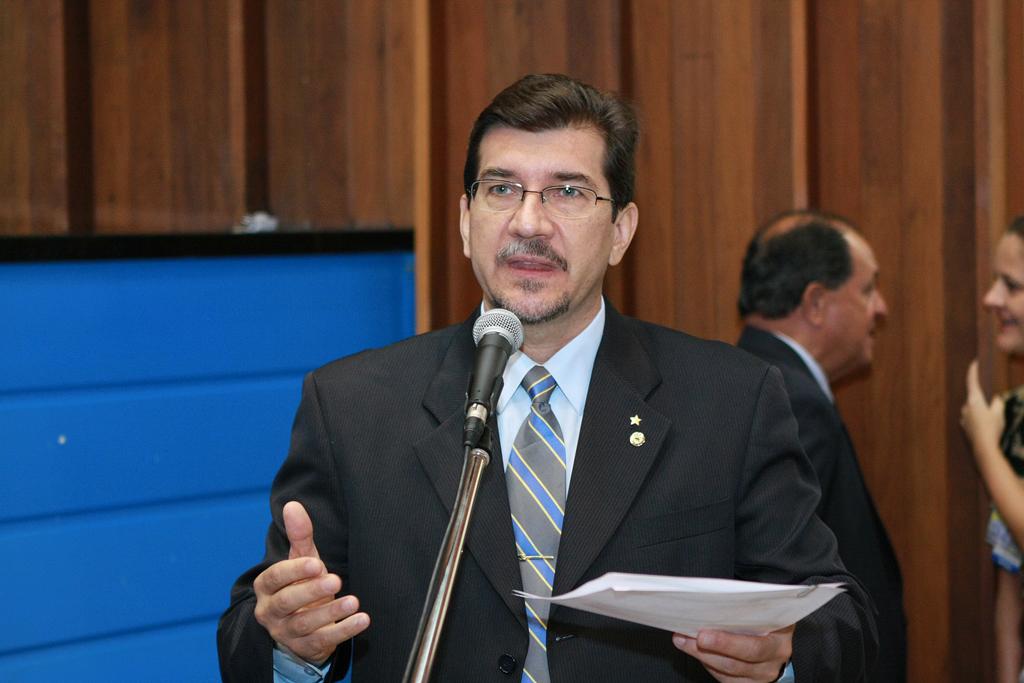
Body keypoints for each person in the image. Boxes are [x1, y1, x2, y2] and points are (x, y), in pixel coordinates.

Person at [218, 74, 877, 683]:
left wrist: (783, 656)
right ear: (465, 221)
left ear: (620, 231)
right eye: (501, 189)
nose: (528, 223)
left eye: (568, 191)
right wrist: (290, 644)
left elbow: (844, 619)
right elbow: (250, 634)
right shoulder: (353, 407)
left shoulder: (731, 399)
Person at [736, 210, 906, 682]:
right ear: (815, 303)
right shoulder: (789, 400)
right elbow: (781, 575)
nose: (880, 308)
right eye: (867, 289)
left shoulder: (749, 378)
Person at [961, 215, 1024, 683]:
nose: (991, 299)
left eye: (1012, 285)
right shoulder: (1016, 410)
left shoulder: (996, 429)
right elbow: (1011, 583)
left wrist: (985, 446)